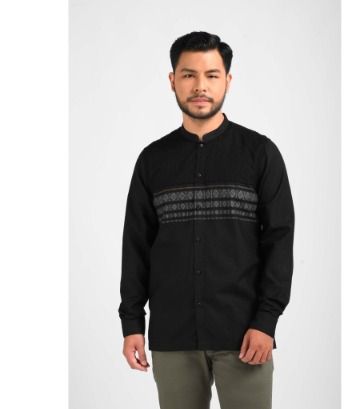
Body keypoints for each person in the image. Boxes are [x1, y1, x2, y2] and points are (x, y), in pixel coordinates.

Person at [118, 31, 295, 409]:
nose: (200, 86)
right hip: (173, 335)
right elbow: (136, 246)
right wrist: (132, 323)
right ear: (173, 81)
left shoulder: (260, 153)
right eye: (189, 75)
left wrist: (266, 320)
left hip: (245, 335)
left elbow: (279, 241)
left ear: (227, 80)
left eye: (212, 75)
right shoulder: (152, 160)